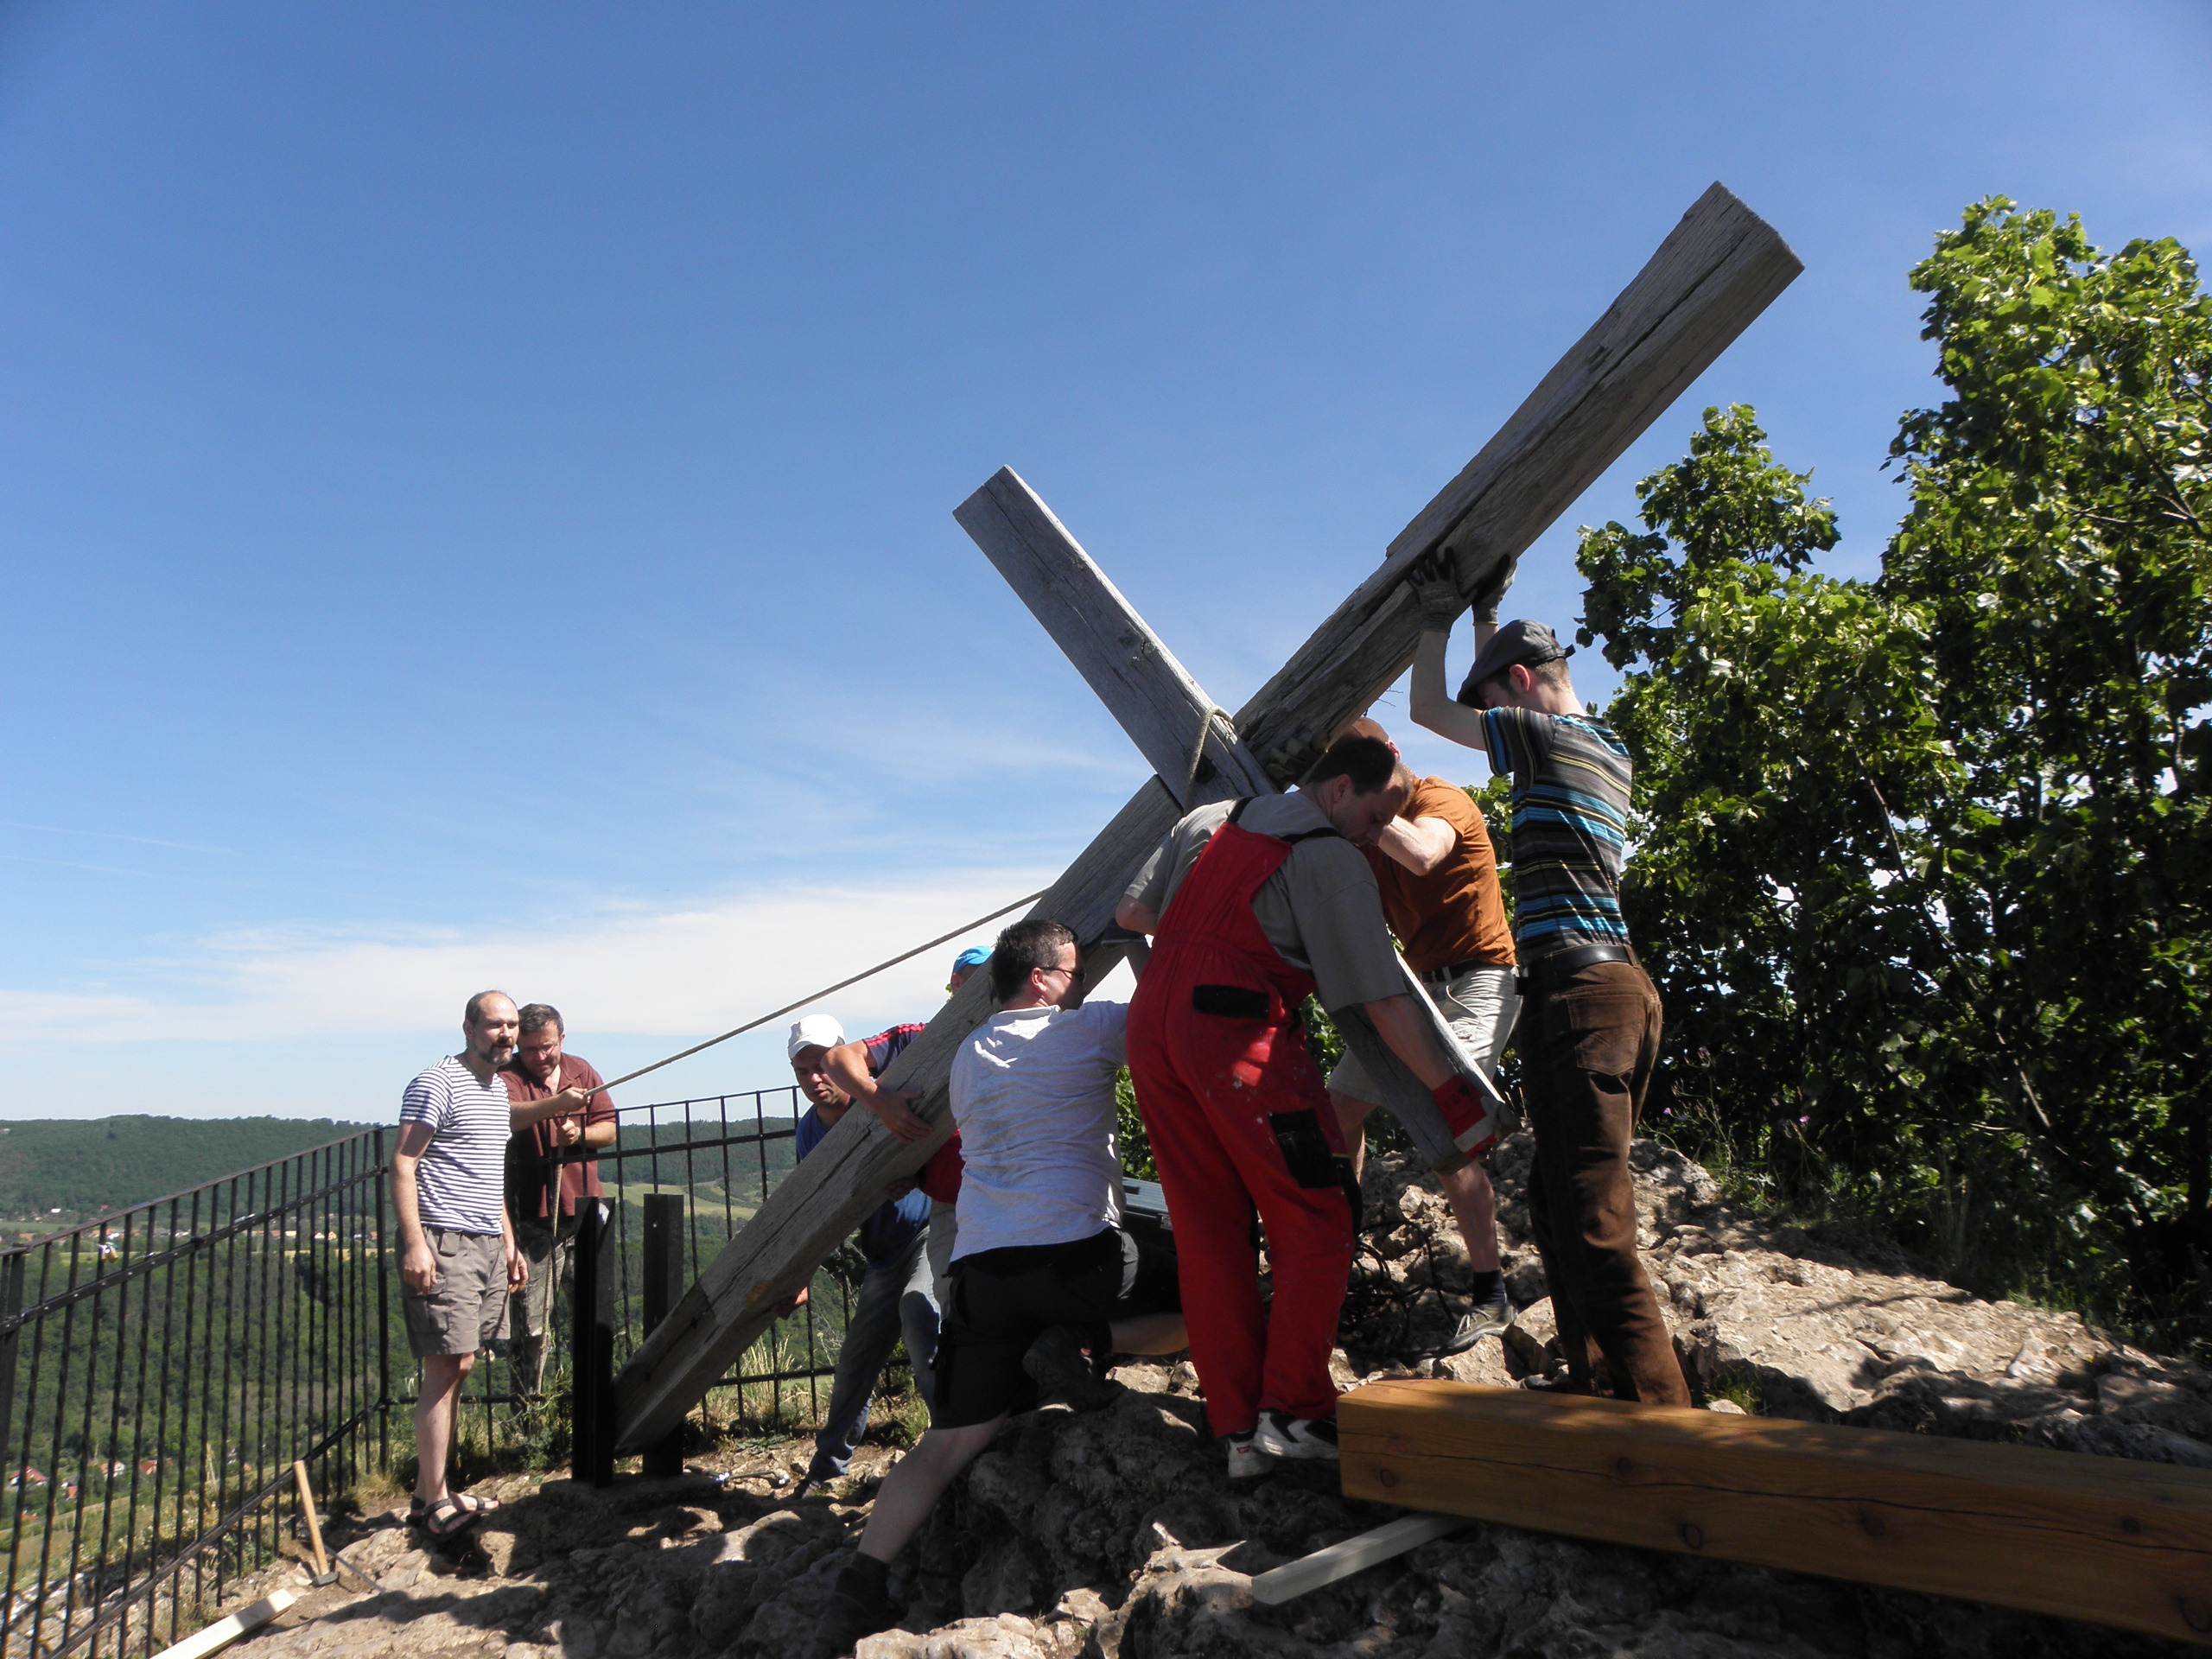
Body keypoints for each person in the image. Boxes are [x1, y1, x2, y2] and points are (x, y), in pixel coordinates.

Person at [1115, 734, 1500, 1473]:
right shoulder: (1330, 858)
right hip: (1235, 1040)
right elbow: (1386, 1003)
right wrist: (1457, 1099)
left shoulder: (1214, 820)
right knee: (1318, 1219)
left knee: (1209, 1233)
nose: (1375, 834)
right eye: (1377, 813)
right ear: (1338, 791)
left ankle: (1235, 1431)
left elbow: (1134, 911)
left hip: (1153, 1029)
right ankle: (1294, 1415)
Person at [806, 921, 1186, 1659]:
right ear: (1040, 979)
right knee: (1218, 1296)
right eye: (1073, 972)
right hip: (1077, 1258)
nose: (1080, 984)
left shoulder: (966, 1054)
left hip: (982, 1270)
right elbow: (1171, 1000)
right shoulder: (1091, 1030)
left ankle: (852, 1595)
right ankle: (1089, 1344)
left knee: (948, 1443)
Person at [1404, 548, 1691, 1407]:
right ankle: (1602, 1394)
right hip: (1606, 994)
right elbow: (1503, 680)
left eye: (1492, 703)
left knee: (1594, 1224)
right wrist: (1487, 614)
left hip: (1583, 997)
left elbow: (1423, 709)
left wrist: (1434, 617)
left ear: (1524, 687)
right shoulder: (1598, 743)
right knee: (1558, 1202)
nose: (1486, 725)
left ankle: (1667, 1433)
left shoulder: (1544, 736)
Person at [1325, 717, 1519, 1353]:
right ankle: (1339, 1250)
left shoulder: (1443, 801)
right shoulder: (1363, 832)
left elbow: (1425, 852)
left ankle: (1491, 1293)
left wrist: (1364, 817)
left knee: (1450, 1133)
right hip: (1411, 990)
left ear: (1392, 758)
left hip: (1479, 979)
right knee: (1338, 1113)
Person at [391, 990, 531, 1540]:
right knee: (444, 1368)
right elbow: (404, 1164)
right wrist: (414, 1244)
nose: (506, 1035)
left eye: (512, 1025)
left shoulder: (497, 1091)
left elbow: (488, 1176)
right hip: (442, 1241)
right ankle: (432, 1504)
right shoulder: (437, 1082)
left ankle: (433, 1491)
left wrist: (509, 1241)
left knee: (463, 1364)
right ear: (469, 1027)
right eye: (495, 1025)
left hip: (485, 1243)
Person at [785, 1014, 941, 1499]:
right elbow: (815, 1209)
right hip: (882, 1253)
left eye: (821, 1065)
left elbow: (940, 1149)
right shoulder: (809, 1134)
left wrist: (915, 1180)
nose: (815, 1079)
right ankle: (828, 1471)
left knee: (921, 1316)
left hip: (926, 1230)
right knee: (856, 1361)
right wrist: (800, 1273)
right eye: (803, 1071)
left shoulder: (885, 1097)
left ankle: (955, 1443)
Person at [823, 948, 991, 1295]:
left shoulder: (1009, 1037)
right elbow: (838, 1058)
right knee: (954, 1308)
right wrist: (880, 1102)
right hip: (950, 1206)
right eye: (980, 979)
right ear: (956, 985)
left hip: (1005, 1196)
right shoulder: (919, 1040)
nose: (989, 987)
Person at [500, 1002, 618, 1402]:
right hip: (532, 1219)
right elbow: (509, 1117)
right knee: (531, 1328)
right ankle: (529, 1419)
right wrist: (558, 1104)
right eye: (529, 1048)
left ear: (561, 1039)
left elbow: (609, 1129)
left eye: (546, 1047)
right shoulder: (508, 1076)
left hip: (583, 1211)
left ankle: (593, 1405)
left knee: (593, 1317)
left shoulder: (581, 1069)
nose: (538, 1056)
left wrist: (578, 1135)